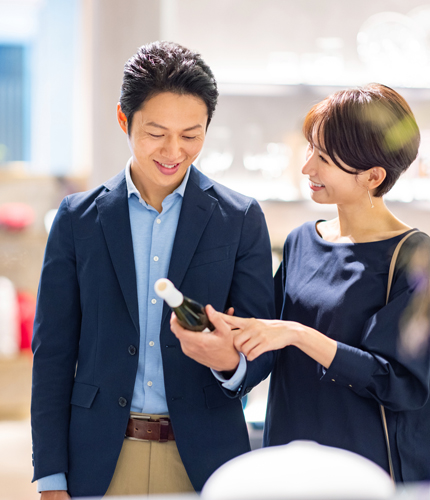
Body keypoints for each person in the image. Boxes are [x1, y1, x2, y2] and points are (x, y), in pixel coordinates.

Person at [30, 41, 275, 498]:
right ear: (124, 119)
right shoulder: (77, 219)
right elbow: (52, 354)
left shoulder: (240, 219)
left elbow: (262, 347)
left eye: (191, 135)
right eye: (156, 132)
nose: (173, 151)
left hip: (205, 461)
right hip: (97, 461)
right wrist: (51, 476)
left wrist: (229, 361)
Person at [172, 83, 430, 483]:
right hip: (289, 462)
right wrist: (230, 340)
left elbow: (402, 385)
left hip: (365, 471)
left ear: (373, 176)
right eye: (310, 150)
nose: (307, 168)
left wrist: (299, 335)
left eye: (324, 158)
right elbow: (267, 342)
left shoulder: (413, 255)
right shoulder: (302, 241)